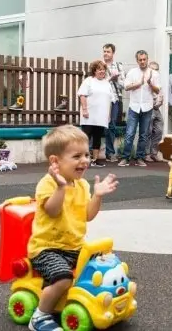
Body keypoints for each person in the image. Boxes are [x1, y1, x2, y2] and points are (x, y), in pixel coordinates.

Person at [27, 124, 118, 331]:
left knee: (102, 266)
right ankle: (40, 317)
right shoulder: (48, 184)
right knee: (63, 278)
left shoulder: (83, 185)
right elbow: (52, 211)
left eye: (86, 154)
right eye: (76, 156)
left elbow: (88, 215)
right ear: (55, 161)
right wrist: (61, 187)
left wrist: (98, 195)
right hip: (46, 248)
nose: (84, 160)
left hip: (74, 246)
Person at [118, 50, 160, 167]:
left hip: (147, 107)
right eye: (140, 60)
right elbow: (126, 87)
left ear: (147, 59)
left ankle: (140, 158)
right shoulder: (132, 72)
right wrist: (139, 83)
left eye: (144, 59)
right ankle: (125, 158)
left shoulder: (154, 74)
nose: (142, 61)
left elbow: (158, 90)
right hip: (134, 106)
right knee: (130, 133)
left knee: (143, 134)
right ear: (137, 60)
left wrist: (150, 83)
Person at [77, 59, 114, 167]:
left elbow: (110, 101)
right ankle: (82, 160)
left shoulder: (107, 83)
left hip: (101, 116)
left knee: (97, 137)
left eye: (103, 69)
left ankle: (95, 160)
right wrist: (84, 109)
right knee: (85, 137)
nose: (102, 71)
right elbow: (82, 95)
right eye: (99, 69)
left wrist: (109, 115)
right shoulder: (89, 80)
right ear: (94, 71)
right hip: (89, 115)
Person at [102, 43, 125, 162]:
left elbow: (124, 85)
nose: (106, 54)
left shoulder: (118, 66)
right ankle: (92, 152)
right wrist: (110, 79)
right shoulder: (100, 66)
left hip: (114, 99)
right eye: (104, 51)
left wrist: (116, 80)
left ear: (113, 53)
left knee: (111, 125)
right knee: (99, 125)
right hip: (102, 99)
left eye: (108, 52)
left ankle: (110, 153)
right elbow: (98, 83)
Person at [144, 61, 164, 162]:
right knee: (148, 131)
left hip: (157, 109)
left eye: (156, 70)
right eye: (152, 70)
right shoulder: (146, 81)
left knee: (159, 130)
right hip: (148, 108)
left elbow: (161, 95)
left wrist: (160, 101)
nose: (155, 72)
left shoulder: (158, 82)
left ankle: (154, 153)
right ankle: (146, 154)